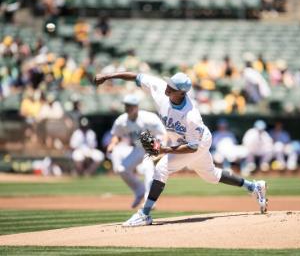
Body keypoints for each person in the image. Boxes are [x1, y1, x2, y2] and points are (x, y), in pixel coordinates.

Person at [94, 71, 268, 227]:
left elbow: (192, 147)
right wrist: (109, 76)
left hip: (197, 144)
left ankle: (144, 214)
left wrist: (165, 150)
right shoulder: (161, 89)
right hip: (186, 142)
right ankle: (254, 186)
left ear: (182, 92)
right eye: (169, 83)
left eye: (172, 86)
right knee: (212, 176)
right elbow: (136, 76)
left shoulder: (191, 116)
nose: (168, 87)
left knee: (161, 168)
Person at [106, 94, 166, 208]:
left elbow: (163, 134)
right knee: (121, 169)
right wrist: (113, 143)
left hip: (152, 145)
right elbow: (116, 135)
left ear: (136, 107)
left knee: (149, 170)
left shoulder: (149, 118)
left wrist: (159, 149)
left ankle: (149, 201)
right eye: (126, 105)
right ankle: (139, 191)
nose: (127, 108)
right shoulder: (122, 120)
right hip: (138, 147)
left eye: (130, 106)